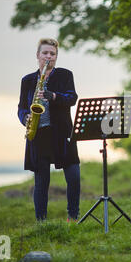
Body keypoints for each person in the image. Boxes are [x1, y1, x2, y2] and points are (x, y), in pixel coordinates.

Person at [18, 38, 80, 222]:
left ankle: (72, 217)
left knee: (74, 176)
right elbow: (21, 107)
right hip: (39, 134)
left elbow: (72, 98)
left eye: (52, 54)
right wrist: (25, 118)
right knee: (41, 182)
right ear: (38, 55)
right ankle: (41, 222)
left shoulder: (65, 75)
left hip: (62, 133)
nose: (48, 57)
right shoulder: (28, 80)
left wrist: (52, 95)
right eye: (45, 53)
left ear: (56, 57)